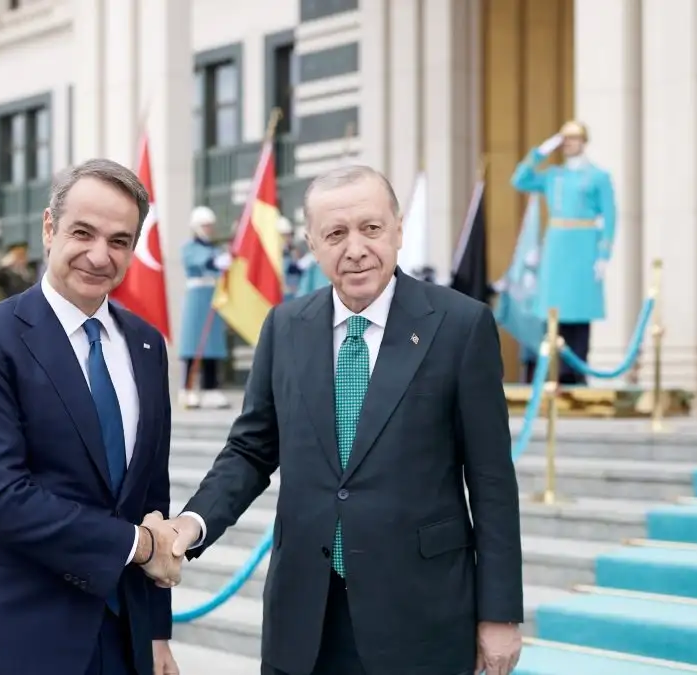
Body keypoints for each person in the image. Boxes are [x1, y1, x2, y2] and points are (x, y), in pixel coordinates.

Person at [162, 165, 524, 675]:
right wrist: (192, 523)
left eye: (370, 228)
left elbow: (491, 480)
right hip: (305, 617)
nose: (355, 249)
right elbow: (251, 450)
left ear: (398, 230)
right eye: (335, 234)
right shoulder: (285, 326)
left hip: (420, 615)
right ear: (312, 244)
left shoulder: (461, 326)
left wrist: (500, 613)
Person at [0, 158, 184, 675]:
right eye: (83, 233)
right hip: (20, 631)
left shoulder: (146, 345)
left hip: (124, 635)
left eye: (119, 241)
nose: (99, 255)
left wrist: (157, 631)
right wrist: (138, 546)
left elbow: (151, 498)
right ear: (50, 228)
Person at [510, 120, 616, 385]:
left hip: (584, 246)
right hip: (556, 248)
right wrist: (541, 151)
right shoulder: (553, 176)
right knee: (554, 310)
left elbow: (610, 216)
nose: (569, 143)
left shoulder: (598, 176)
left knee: (579, 310)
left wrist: (604, 254)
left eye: (574, 138)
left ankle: (577, 372)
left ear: (584, 141)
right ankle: (555, 370)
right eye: (565, 139)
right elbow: (519, 180)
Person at [176, 206, 231, 410]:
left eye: (210, 225)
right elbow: (200, 261)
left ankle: (210, 389)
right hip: (197, 296)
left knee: (212, 345)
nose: (209, 229)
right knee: (193, 344)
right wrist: (215, 261)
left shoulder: (215, 249)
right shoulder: (189, 247)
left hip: (212, 296)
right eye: (205, 225)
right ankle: (188, 388)